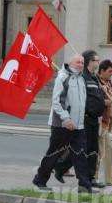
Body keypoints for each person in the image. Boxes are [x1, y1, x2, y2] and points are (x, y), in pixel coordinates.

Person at [32, 54, 94, 193]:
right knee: (54, 153)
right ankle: (40, 180)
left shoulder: (81, 79)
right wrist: (66, 119)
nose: (80, 65)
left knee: (81, 154)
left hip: (78, 125)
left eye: (82, 63)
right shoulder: (63, 77)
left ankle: (84, 184)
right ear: (70, 63)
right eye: (78, 62)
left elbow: (82, 101)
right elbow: (57, 101)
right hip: (62, 125)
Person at [54, 50, 106, 188]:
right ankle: (62, 168)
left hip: (94, 119)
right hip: (85, 118)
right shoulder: (82, 77)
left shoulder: (94, 78)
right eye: (96, 60)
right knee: (82, 150)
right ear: (90, 61)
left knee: (93, 149)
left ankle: (90, 178)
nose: (98, 63)